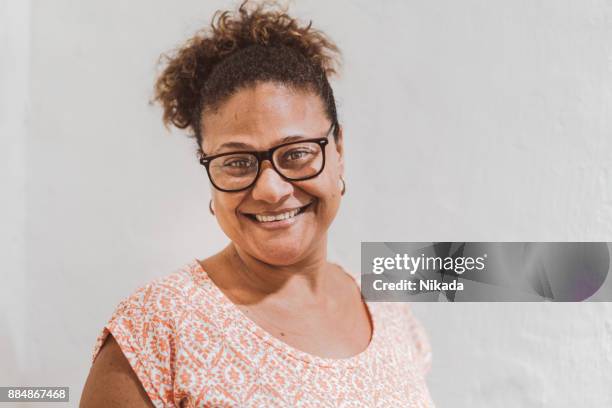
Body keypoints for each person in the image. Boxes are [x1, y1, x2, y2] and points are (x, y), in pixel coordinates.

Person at [80, 1, 434, 406]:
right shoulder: (157, 328)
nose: (270, 189)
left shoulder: (388, 309)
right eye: (237, 162)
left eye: (297, 153)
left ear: (338, 149)